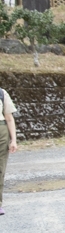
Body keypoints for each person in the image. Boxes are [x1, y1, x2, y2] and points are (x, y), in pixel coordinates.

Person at [0, 87, 18, 216]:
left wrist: (14, 140)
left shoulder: (1, 93)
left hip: (1, 131)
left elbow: (9, 118)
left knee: (0, 168)